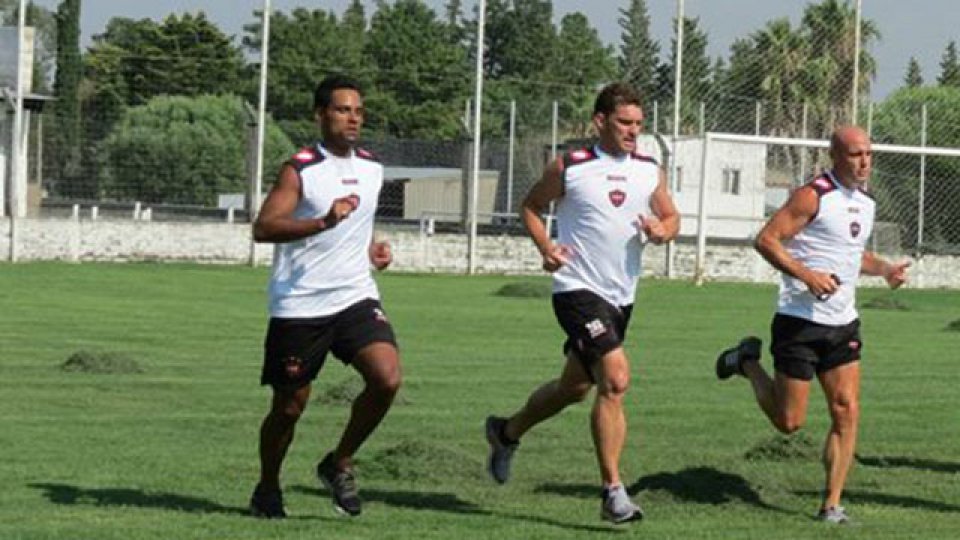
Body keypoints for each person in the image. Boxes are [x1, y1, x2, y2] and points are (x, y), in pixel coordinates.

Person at [485, 82, 679, 524]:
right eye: (625, 123)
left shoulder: (649, 169)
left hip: (621, 296)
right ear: (600, 122)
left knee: (573, 388)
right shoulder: (570, 166)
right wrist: (545, 247)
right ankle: (613, 493)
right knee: (615, 379)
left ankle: (506, 432)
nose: (633, 132)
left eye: (639, 124)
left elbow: (671, 216)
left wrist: (663, 230)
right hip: (576, 290)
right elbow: (531, 206)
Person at [715, 125, 910, 524]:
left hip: (843, 323)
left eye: (868, 153)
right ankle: (747, 363)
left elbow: (852, 255)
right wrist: (807, 276)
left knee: (847, 411)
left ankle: (832, 506)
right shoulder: (811, 196)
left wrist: (886, 268)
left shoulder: (866, 203)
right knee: (789, 422)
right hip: (799, 322)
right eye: (856, 154)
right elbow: (766, 240)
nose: (865, 161)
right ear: (835, 156)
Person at [248, 74, 401, 519]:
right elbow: (263, 228)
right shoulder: (300, 169)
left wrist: (372, 250)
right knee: (290, 406)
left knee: (387, 378)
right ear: (320, 115)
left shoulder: (372, 167)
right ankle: (268, 487)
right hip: (300, 304)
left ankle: (339, 462)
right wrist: (322, 224)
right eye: (341, 109)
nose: (352, 118)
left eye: (357, 111)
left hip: (354, 295)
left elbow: (360, 225)